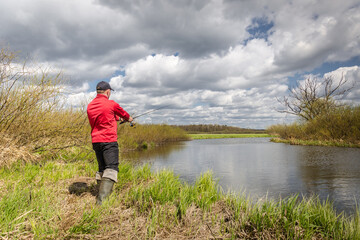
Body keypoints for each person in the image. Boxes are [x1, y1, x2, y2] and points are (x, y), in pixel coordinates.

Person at [87, 81, 133, 205]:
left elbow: (106, 115)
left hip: (96, 141)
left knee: (102, 169)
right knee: (111, 168)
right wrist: (129, 119)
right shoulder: (111, 104)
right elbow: (124, 114)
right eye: (110, 92)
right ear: (108, 91)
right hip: (108, 140)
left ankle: (101, 195)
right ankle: (101, 203)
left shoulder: (90, 106)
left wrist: (119, 119)